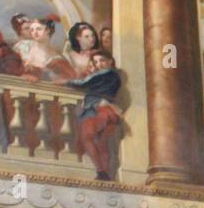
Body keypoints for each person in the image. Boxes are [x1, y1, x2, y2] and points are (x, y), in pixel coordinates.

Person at [66, 50, 123, 181]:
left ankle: (101, 171)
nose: (99, 64)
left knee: (86, 137)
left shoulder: (106, 73)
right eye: (96, 62)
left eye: (102, 60)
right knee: (101, 142)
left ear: (110, 61)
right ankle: (106, 173)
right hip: (108, 112)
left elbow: (82, 83)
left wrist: (66, 82)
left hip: (99, 110)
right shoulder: (113, 76)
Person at [13, 15, 73, 82]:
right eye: (32, 30)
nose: (34, 33)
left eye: (38, 29)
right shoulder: (23, 45)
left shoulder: (55, 56)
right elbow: (12, 65)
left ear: (47, 30)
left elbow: (67, 78)